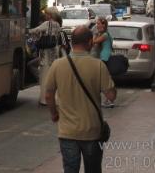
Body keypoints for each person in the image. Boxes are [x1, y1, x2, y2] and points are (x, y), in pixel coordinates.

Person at [45, 26, 117, 173]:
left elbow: (48, 95)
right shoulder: (98, 65)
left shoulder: (57, 65)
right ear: (90, 42)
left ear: (72, 42)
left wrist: (54, 114)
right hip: (92, 131)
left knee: (70, 170)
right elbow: (111, 96)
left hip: (67, 132)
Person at [29, 7, 61, 106]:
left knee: (44, 77)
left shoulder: (47, 24)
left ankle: (44, 99)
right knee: (53, 78)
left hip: (45, 55)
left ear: (50, 15)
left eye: (47, 14)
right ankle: (55, 99)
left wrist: (27, 31)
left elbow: (35, 30)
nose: (45, 15)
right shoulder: (57, 25)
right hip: (54, 54)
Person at [92, 17, 114, 108]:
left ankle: (109, 99)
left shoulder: (104, 35)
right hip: (105, 56)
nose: (97, 25)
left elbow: (94, 42)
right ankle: (107, 99)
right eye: (97, 24)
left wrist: (95, 34)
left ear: (103, 25)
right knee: (104, 78)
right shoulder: (106, 34)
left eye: (98, 24)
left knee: (103, 79)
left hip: (105, 57)